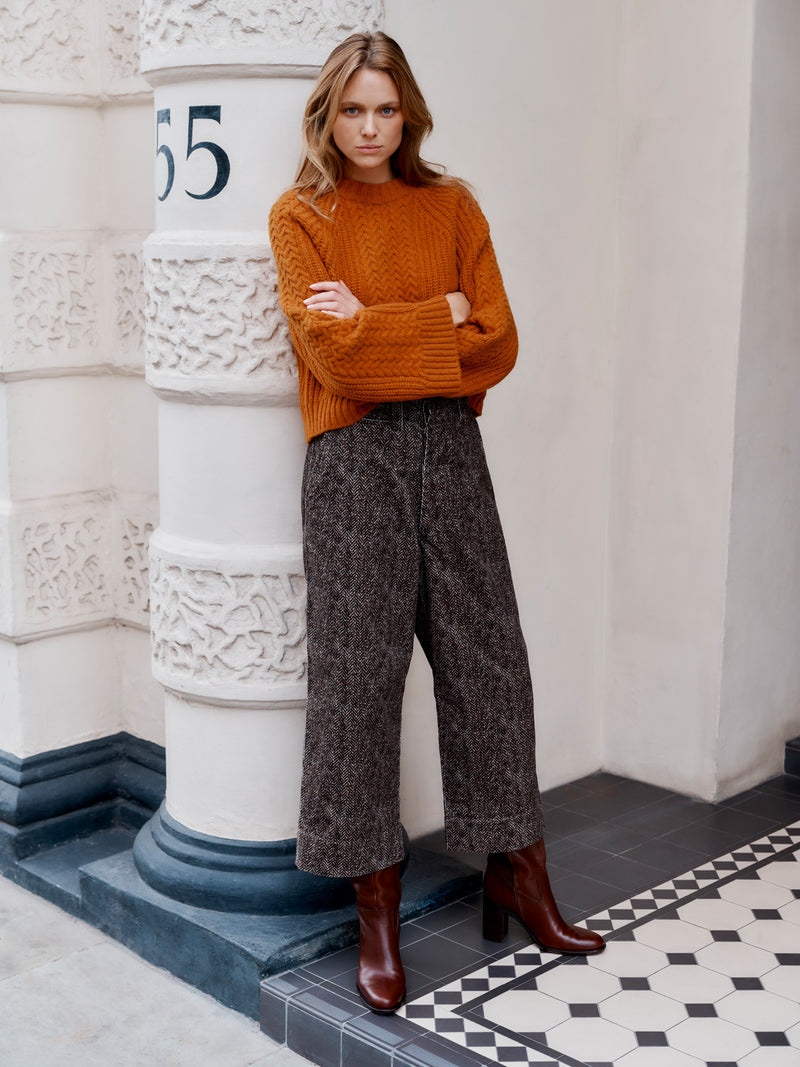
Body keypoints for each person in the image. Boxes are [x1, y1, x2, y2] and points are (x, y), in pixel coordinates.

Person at [268, 30, 604, 1015]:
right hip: (351, 463)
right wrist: (434, 314)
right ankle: (375, 905)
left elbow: (495, 341)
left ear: (406, 113)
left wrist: (377, 319)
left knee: (487, 657)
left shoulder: (451, 205)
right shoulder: (301, 216)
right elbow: (340, 366)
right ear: (327, 117)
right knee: (358, 677)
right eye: (351, 110)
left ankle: (519, 868)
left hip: (450, 452)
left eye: (385, 110)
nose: (369, 128)